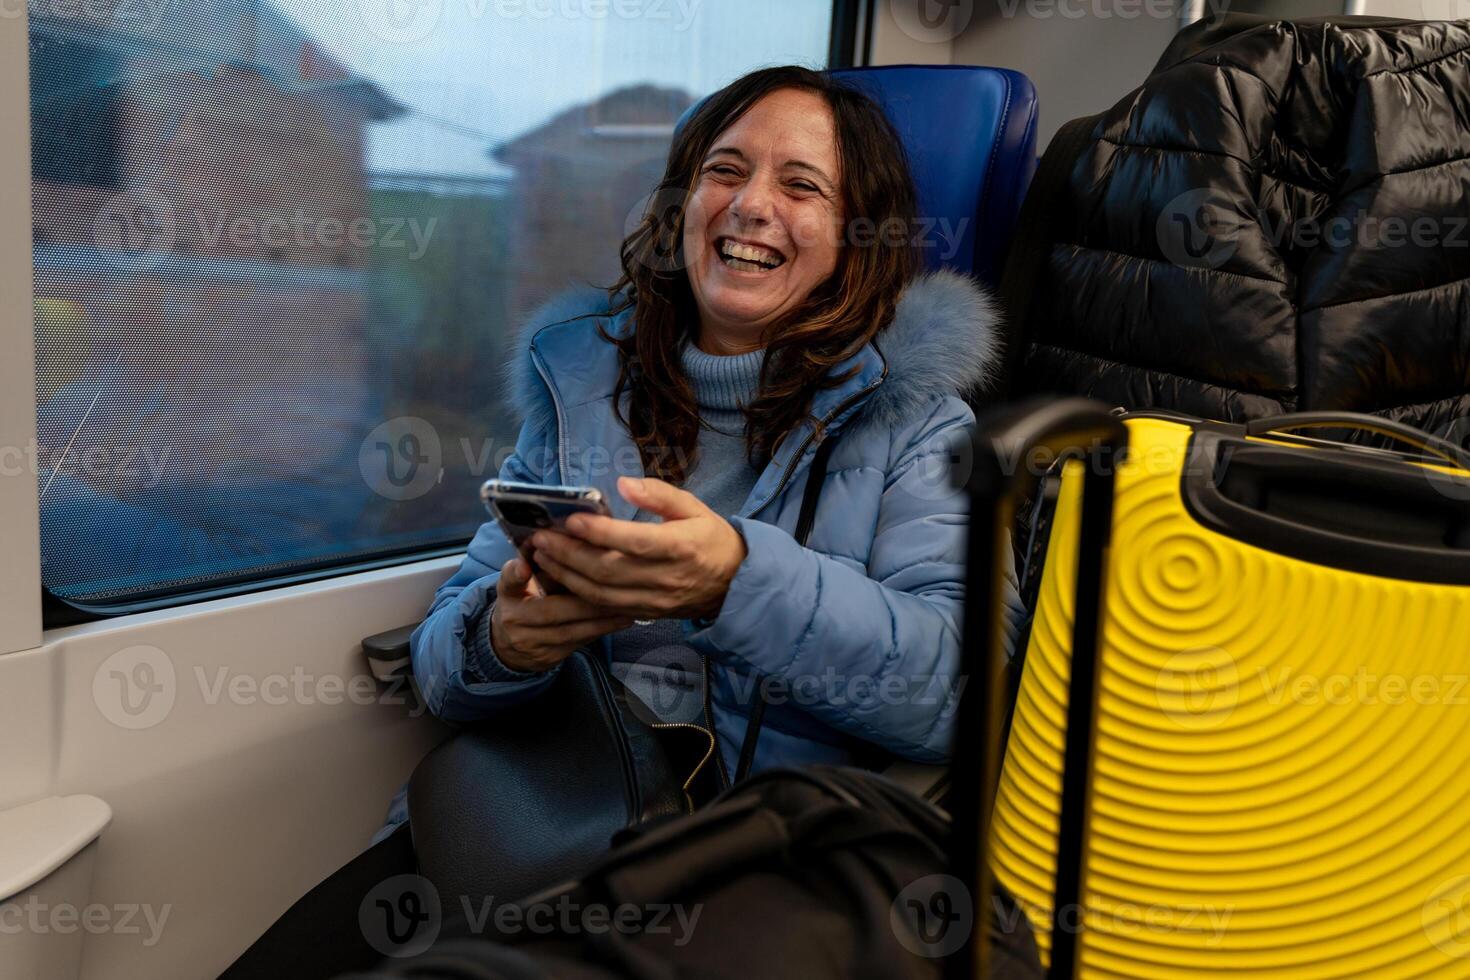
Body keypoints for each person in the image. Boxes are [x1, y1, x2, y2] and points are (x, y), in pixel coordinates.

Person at [223, 64, 1024, 978]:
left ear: (856, 238)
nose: (751, 205)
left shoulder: (921, 426)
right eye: (726, 171)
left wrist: (733, 580)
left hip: (739, 870)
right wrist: (509, 640)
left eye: (801, 185)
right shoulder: (580, 389)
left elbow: (960, 696)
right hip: (535, 825)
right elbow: (442, 670)